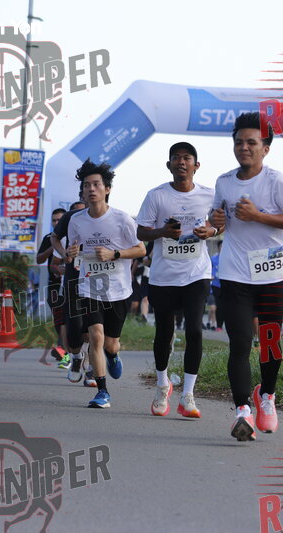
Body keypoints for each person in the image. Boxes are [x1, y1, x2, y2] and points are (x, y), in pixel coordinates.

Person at [208, 112, 283, 441]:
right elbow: (217, 222)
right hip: (234, 273)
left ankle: (267, 395)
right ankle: (243, 411)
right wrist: (215, 223)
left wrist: (258, 215)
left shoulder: (276, 181)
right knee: (239, 344)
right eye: (239, 142)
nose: (244, 147)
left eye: (251, 142)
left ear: (266, 148)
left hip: (272, 273)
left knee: (270, 342)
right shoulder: (224, 182)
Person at [137, 141, 218, 418]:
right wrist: (162, 232)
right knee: (164, 332)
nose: (181, 162)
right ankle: (162, 385)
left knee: (194, 330)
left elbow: (221, 222)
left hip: (197, 273)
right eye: (176, 158)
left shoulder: (209, 195)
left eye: (187, 158)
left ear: (196, 165)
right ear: (168, 165)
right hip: (164, 276)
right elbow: (141, 232)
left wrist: (211, 230)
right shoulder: (156, 196)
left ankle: (188, 395)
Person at [65, 159, 146, 408]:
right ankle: (102, 391)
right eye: (86, 185)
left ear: (107, 189)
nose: (91, 189)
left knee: (110, 343)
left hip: (118, 289)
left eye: (96, 184)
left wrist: (115, 254)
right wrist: (71, 253)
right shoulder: (76, 220)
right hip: (90, 286)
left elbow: (141, 249)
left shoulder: (122, 219)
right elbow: (72, 252)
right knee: (95, 336)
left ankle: (113, 355)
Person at [50, 200, 88, 374]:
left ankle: (90, 368)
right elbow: (53, 262)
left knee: (93, 327)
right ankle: (72, 355)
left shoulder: (103, 227)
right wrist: (64, 258)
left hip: (95, 283)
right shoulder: (65, 235)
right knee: (69, 324)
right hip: (69, 285)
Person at [36, 208, 68, 361]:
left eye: (59, 220)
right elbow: (39, 259)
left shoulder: (73, 236)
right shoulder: (49, 238)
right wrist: (53, 246)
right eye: (54, 220)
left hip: (71, 283)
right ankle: (63, 347)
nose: (56, 223)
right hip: (54, 283)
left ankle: (62, 348)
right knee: (58, 318)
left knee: (67, 317)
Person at [207, 240, 223, 331]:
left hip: (224, 285)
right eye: (221, 246)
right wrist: (210, 276)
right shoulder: (213, 259)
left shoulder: (228, 259)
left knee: (221, 307)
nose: (222, 248)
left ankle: (218, 325)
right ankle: (215, 324)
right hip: (214, 286)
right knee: (214, 307)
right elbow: (208, 269)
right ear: (218, 248)